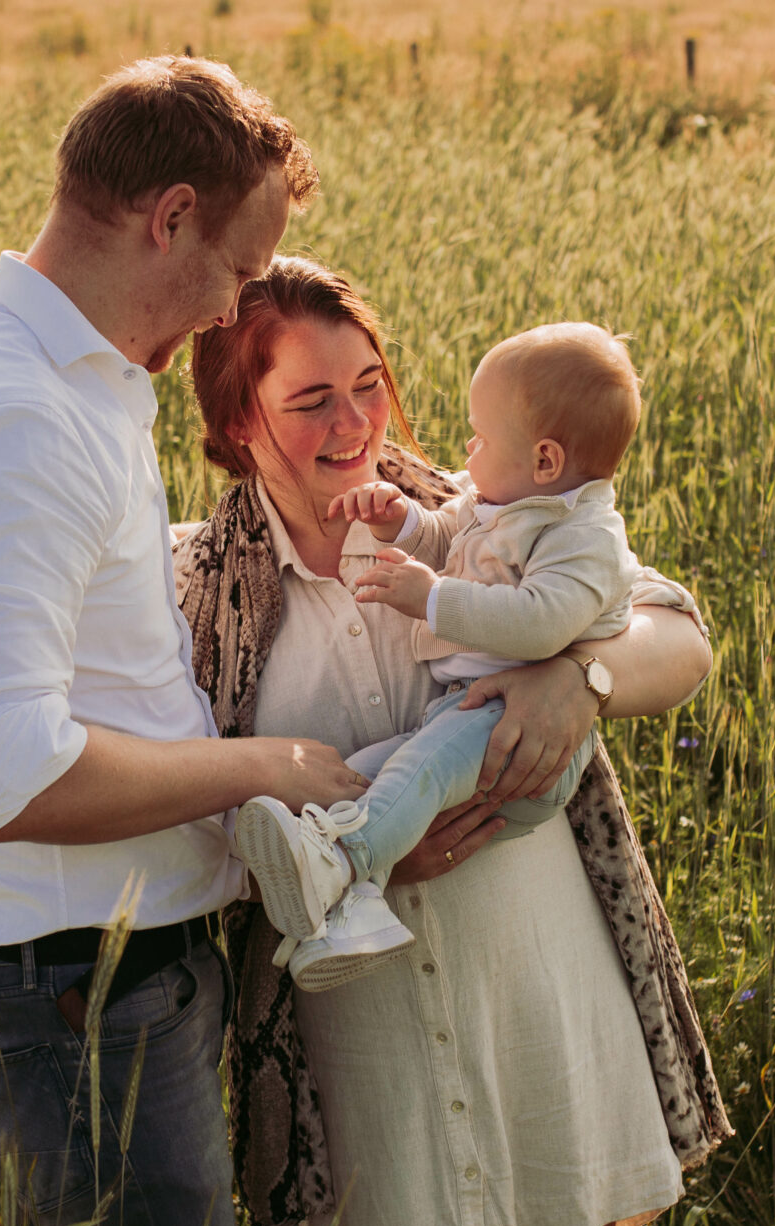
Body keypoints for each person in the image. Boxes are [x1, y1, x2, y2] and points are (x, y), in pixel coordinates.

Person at [0, 59, 361, 1226]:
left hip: (109, 989)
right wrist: (265, 764)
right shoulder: (17, 417)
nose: (230, 311)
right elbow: (5, 773)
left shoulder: (67, 380)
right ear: (170, 215)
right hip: (82, 1004)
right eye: (239, 271)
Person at [179, 257, 734, 1226]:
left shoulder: (483, 513)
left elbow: (682, 636)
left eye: (368, 385)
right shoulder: (197, 594)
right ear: (239, 421)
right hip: (362, 1047)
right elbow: (191, 821)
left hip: (531, 987)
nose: (355, 425)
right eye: (311, 400)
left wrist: (584, 679)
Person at [234, 323, 651, 993]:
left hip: (512, 741)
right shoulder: (499, 504)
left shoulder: (582, 536)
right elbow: (445, 533)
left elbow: (545, 623)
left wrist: (434, 599)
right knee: (359, 779)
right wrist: (399, 521)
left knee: (417, 773)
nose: (467, 447)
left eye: (481, 437)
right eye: (312, 400)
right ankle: (350, 908)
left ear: (544, 460)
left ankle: (347, 858)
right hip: (460, 715)